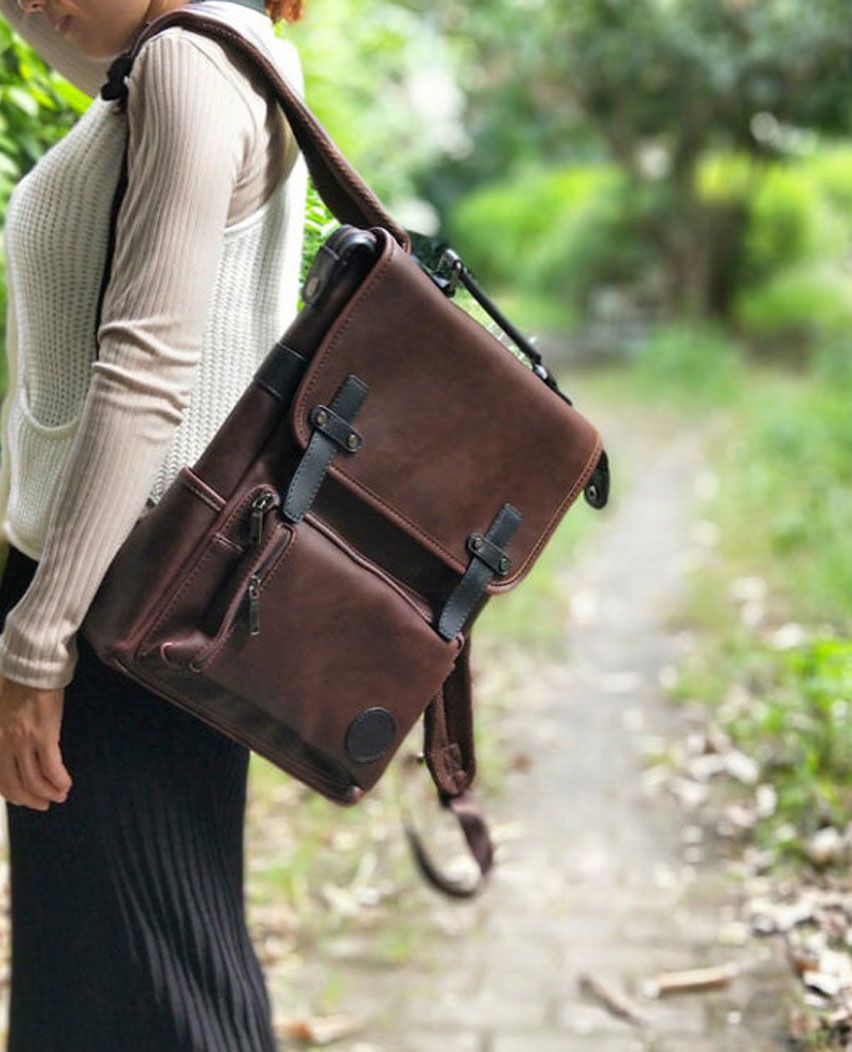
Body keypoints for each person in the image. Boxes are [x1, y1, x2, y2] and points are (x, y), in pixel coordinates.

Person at [0, 0, 308, 1046]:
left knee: (152, 987)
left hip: (113, 608)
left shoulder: (185, 65)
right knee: (121, 970)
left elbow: (144, 370)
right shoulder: (186, 59)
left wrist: (39, 641)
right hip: (139, 591)